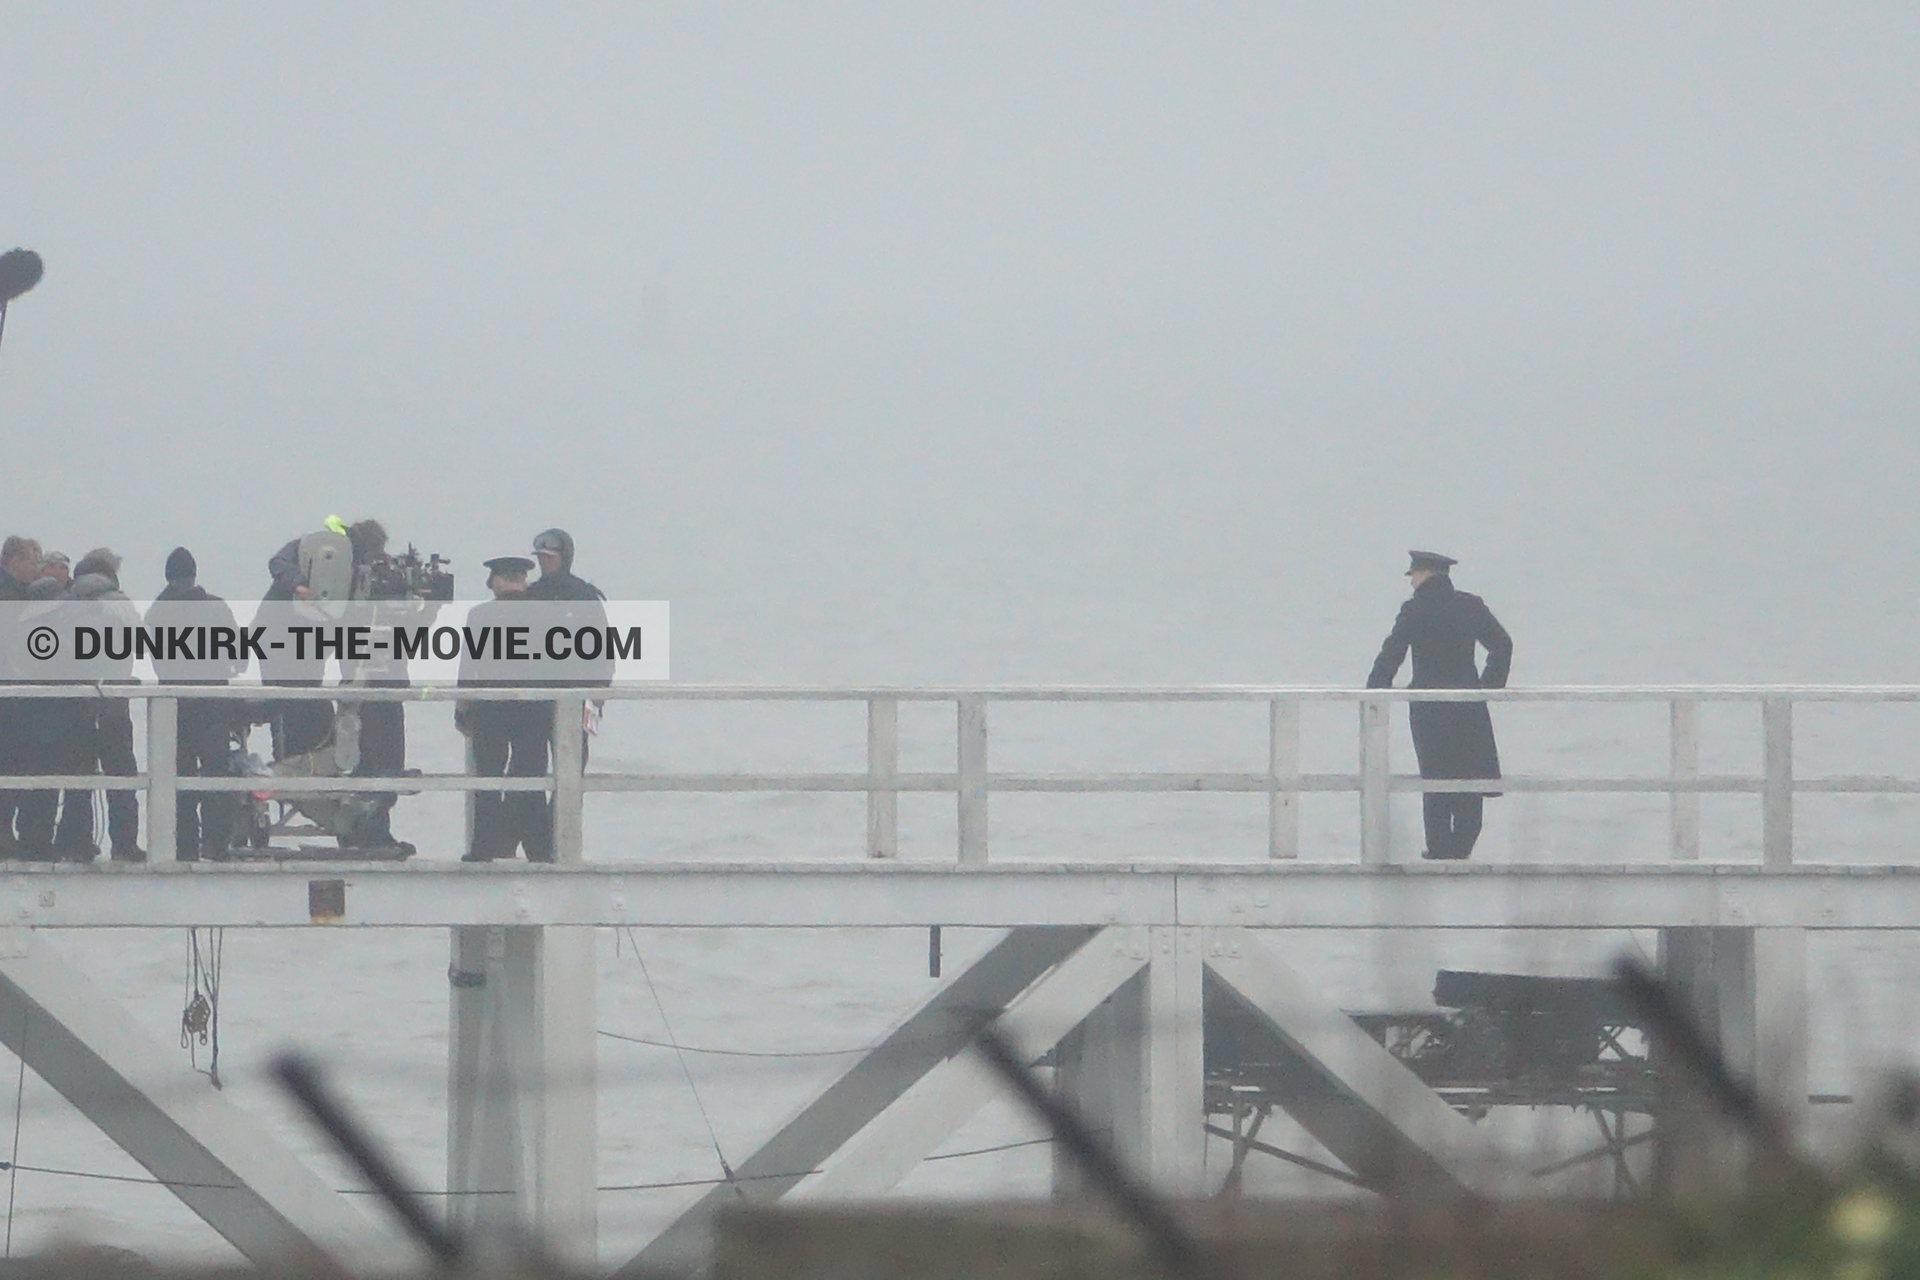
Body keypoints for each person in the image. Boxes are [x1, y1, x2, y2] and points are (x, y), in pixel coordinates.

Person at [1366, 551, 1513, 861]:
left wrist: (1374, 691)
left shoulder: (1414, 609)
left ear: (1425, 574)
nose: (1412, 583)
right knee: (1471, 782)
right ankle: (1461, 852)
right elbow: (1502, 644)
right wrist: (1488, 687)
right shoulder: (1470, 605)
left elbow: (1391, 654)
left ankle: (1438, 853)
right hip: (1469, 708)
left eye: (1414, 576)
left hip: (1429, 710)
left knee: (1436, 783)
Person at [146, 547, 243, 860]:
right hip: (213, 704)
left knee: (178, 779)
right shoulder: (216, 608)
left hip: (175, 707)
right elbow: (239, 659)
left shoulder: (157, 612)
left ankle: (183, 846)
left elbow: (154, 659)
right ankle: (216, 844)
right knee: (217, 775)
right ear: (194, 574)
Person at [457, 557, 552, 862]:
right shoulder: (542, 615)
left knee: (487, 779)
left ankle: (484, 847)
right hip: (532, 708)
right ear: (523, 581)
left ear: (493, 583)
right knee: (532, 778)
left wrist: (462, 706)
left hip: (490, 707)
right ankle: (539, 848)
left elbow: (468, 665)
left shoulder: (480, 615)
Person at [64, 549, 143, 861]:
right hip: (112, 704)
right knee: (122, 775)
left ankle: (78, 842)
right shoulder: (118, 601)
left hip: (76, 704)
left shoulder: (66, 601)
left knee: (77, 775)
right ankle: (125, 845)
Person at [0, 537, 45, 859]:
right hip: (11, 699)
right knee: (11, 765)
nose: (37, 568)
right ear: (14, 561)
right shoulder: (11, 596)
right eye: (33, 561)